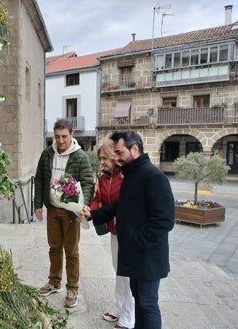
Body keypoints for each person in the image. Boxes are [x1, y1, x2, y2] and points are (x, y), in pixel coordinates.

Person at [82, 131, 174, 329]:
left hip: (148, 257)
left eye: (119, 152)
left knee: (148, 305)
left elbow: (165, 221)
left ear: (135, 149)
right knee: (139, 301)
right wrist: (94, 214)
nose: (116, 158)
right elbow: (119, 206)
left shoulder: (154, 177)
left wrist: (135, 240)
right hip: (134, 254)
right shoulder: (132, 175)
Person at [34, 119, 93, 308]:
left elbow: (86, 182)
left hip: (71, 213)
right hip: (52, 209)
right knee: (54, 247)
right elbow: (40, 179)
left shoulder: (80, 157)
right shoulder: (47, 154)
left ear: (72, 135)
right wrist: (38, 205)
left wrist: (84, 207)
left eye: (64, 137)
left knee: (72, 250)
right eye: (57, 136)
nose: (60, 141)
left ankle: (72, 287)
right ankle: (54, 282)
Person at [90, 141, 134, 329]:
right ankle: (117, 307)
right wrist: (89, 212)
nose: (102, 162)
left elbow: (132, 203)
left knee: (129, 276)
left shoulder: (126, 177)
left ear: (115, 158)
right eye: (100, 159)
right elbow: (98, 199)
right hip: (114, 231)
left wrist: (121, 215)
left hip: (129, 233)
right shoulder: (103, 178)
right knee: (119, 272)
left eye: (105, 158)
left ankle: (129, 317)